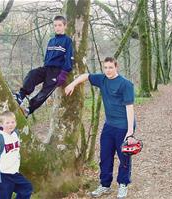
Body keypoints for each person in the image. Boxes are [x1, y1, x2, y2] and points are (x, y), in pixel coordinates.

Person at [65, 57, 136, 199]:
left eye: (111, 67)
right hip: (109, 125)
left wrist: (130, 131)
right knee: (105, 156)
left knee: (124, 158)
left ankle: (123, 184)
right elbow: (85, 76)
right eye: (106, 67)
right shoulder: (102, 79)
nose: (108, 70)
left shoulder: (125, 84)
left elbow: (130, 108)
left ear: (116, 67)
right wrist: (72, 84)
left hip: (123, 126)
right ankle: (105, 185)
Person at [13, 15, 73, 117]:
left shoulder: (67, 41)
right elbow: (47, 56)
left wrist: (63, 74)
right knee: (32, 74)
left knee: (44, 93)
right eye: (55, 25)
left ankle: (29, 110)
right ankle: (20, 96)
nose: (57, 27)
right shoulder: (51, 41)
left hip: (56, 71)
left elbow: (69, 58)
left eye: (60, 25)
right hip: (46, 68)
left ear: (64, 26)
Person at [0, 111, 33, 199]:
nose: (10, 125)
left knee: (27, 188)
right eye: (7, 123)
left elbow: (16, 153)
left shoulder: (15, 135)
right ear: (1, 124)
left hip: (14, 173)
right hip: (2, 175)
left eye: (12, 122)